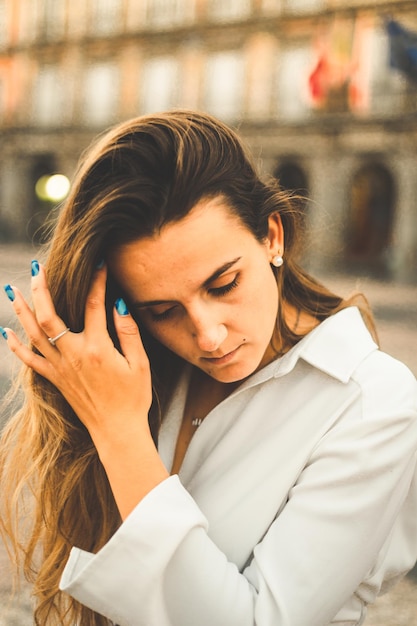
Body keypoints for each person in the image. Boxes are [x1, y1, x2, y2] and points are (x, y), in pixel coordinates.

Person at [0, 110, 416, 626]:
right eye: (162, 310)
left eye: (223, 285)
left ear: (272, 236)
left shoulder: (373, 400)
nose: (208, 336)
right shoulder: (142, 369)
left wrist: (119, 431)